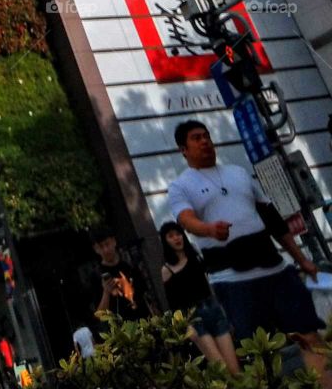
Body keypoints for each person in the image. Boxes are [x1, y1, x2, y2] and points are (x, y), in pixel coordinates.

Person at [168, 119, 328, 384]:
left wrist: (302, 259)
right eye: (197, 138)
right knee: (260, 354)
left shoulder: (238, 172)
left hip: (275, 268)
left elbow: (273, 219)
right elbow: (186, 220)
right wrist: (208, 229)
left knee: (309, 334)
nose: (205, 141)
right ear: (183, 149)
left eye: (207, 135)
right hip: (233, 279)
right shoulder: (181, 186)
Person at [160, 219, 240, 373]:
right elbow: (174, 304)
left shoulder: (196, 256)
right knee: (221, 369)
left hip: (213, 310)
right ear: (165, 241)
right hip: (194, 319)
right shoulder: (166, 270)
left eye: (178, 234)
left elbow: (211, 281)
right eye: (171, 236)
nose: (176, 238)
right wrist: (188, 328)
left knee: (234, 368)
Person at [88, 224, 152, 324]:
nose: (106, 250)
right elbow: (99, 316)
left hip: (145, 323)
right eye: (101, 247)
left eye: (107, 244)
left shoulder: (130, 264)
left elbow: (146, 296)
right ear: (96, 249)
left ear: (114, 241)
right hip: (122, 332)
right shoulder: (96, 276)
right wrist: (106, 292)